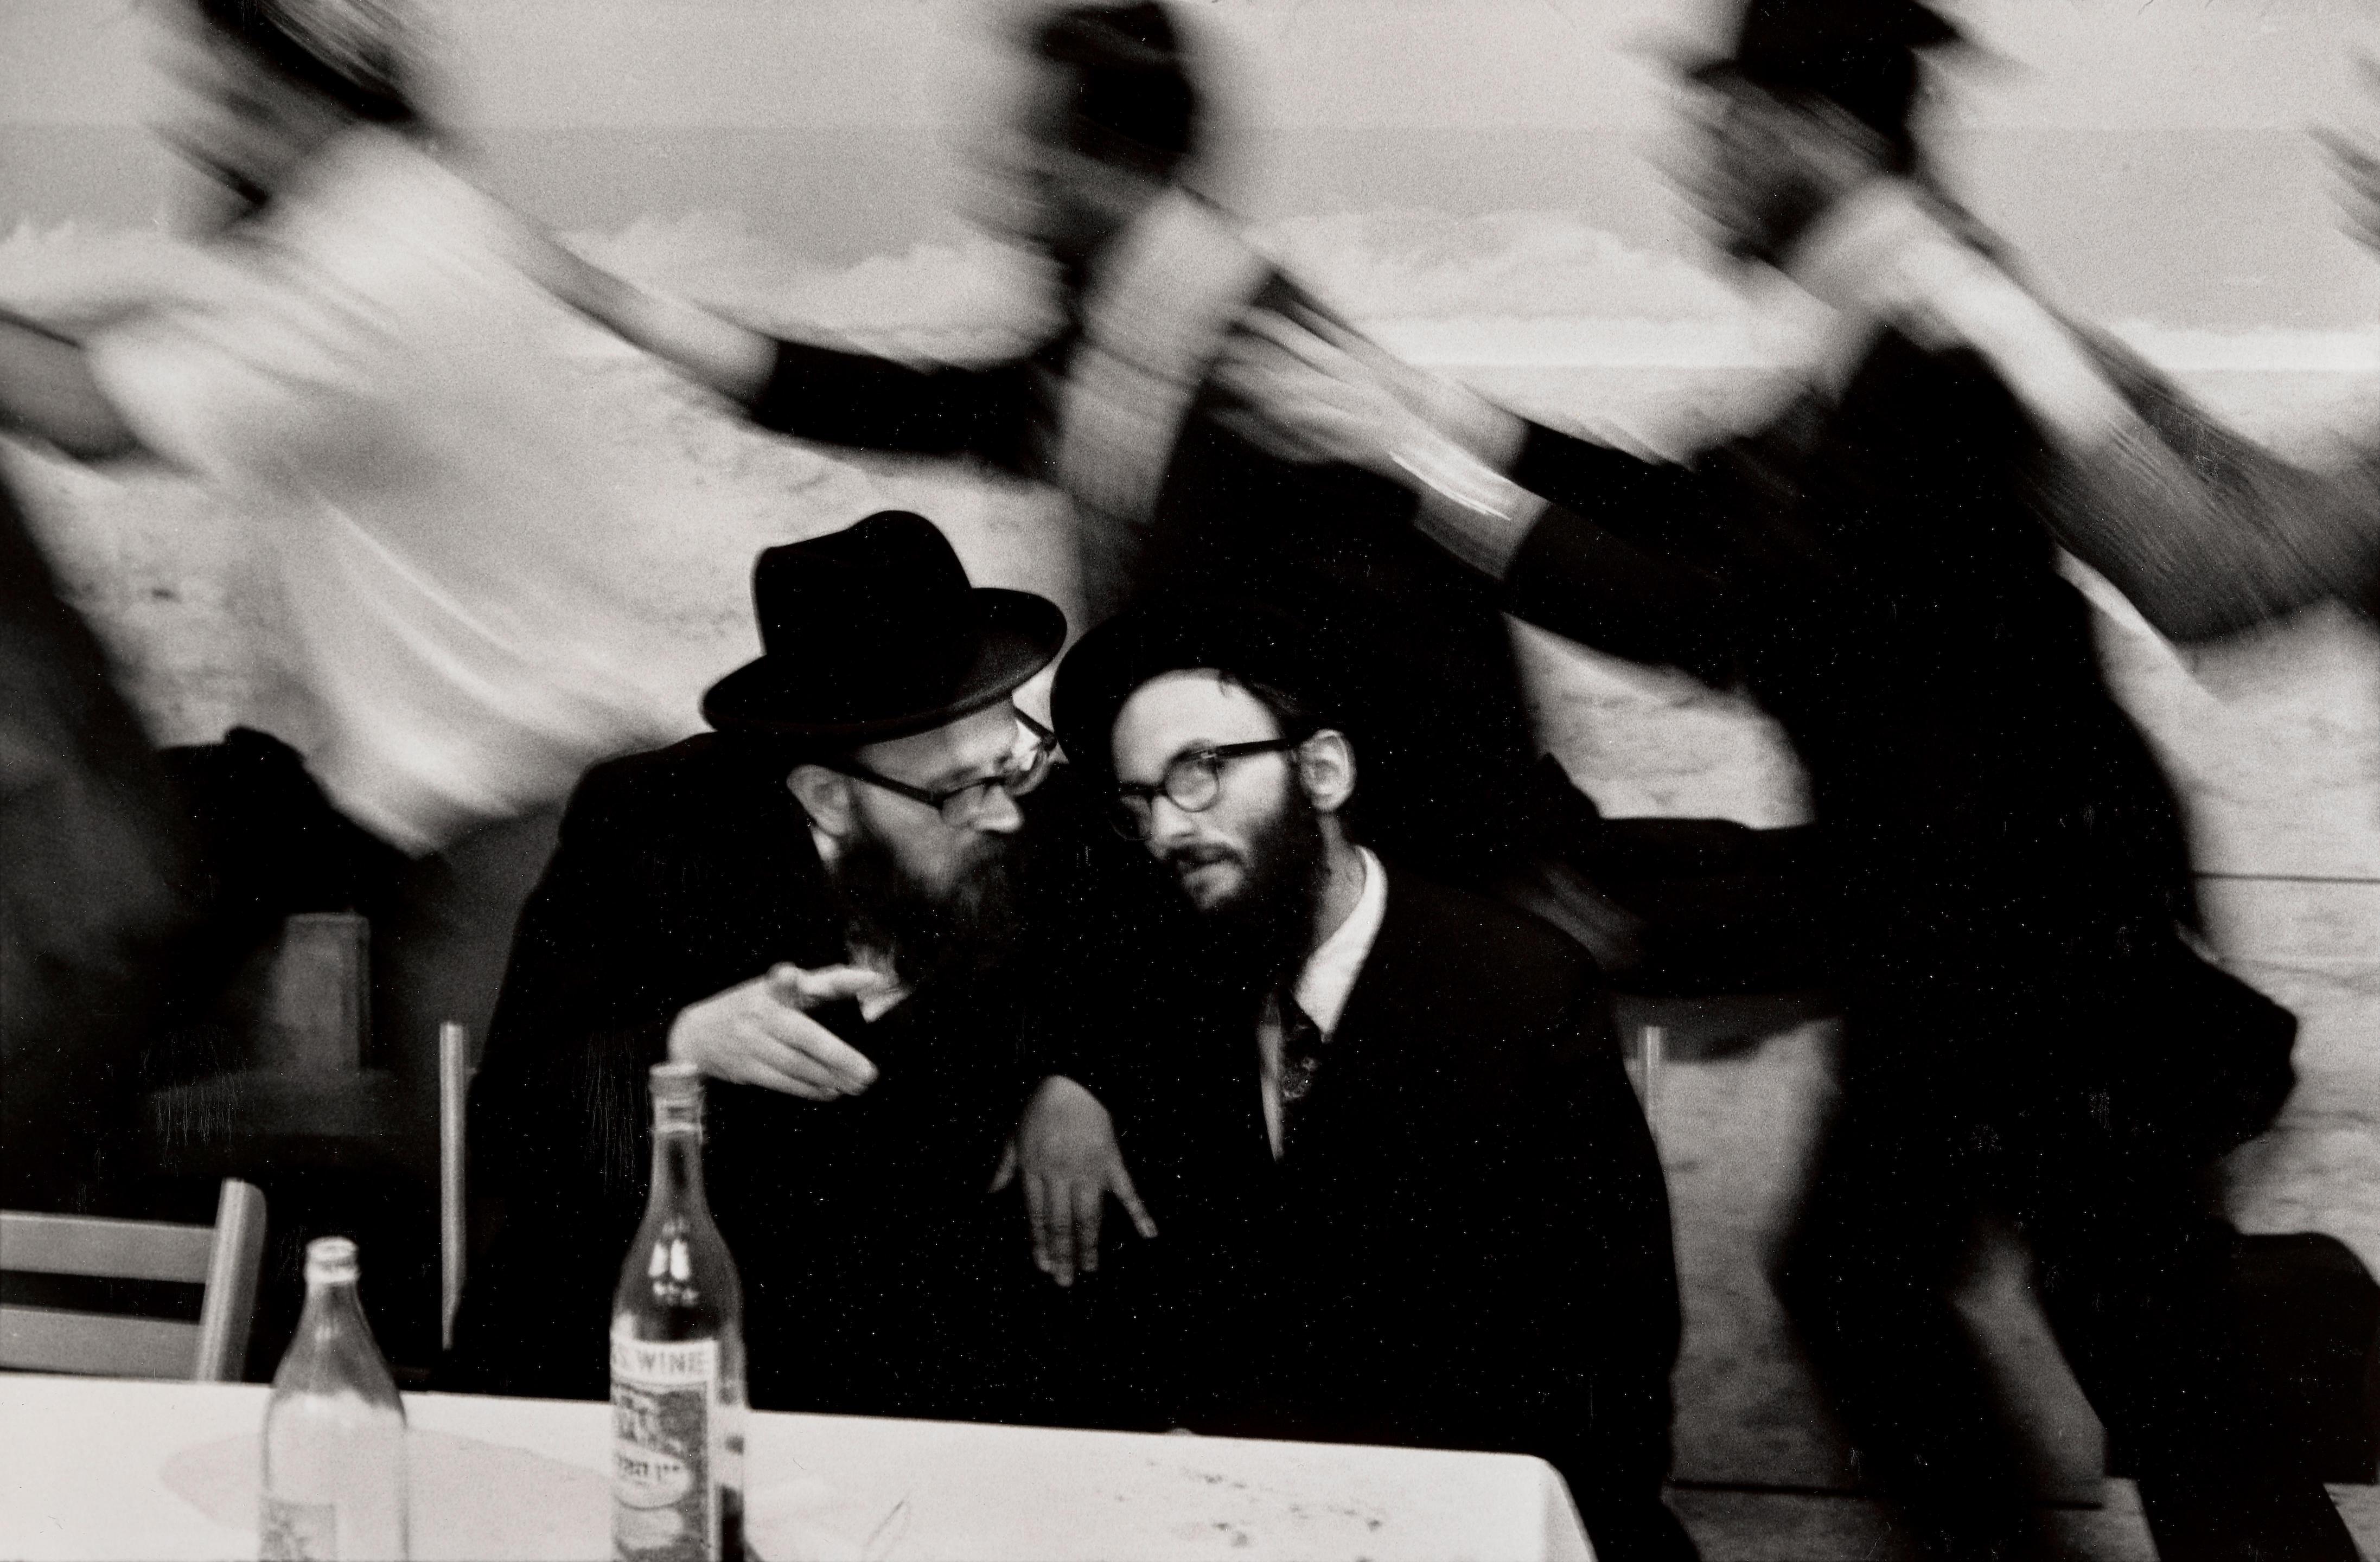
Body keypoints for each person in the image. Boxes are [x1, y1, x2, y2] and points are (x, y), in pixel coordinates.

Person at [1213, 2, 2354, 1557]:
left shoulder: (1941, 325)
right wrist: (1447, 423)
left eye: (1724, 133)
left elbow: (1732, 613)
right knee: (1954, 1305)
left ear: (1814, 132)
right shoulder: (1866, 309)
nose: (1697, 169)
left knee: (2050, 1329)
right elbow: (1708, 512)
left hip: (2051, 942)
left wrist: (1429, 480)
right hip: (1966, 935)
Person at [1048, 600, 1696, 1562]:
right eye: (1140, 800)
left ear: (1323, 771)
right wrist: (1066, 1078)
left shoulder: (1519, 990)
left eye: (1198, 772)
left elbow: (1616, 1353)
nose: (1166, 831)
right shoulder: (1176, 984)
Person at [0, 0, 674, 860]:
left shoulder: (359, 285)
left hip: (476, 823)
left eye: (242, 108)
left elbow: (93, 414)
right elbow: (173, 319)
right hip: (565, 758)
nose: (207, 139)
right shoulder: (430, 212)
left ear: (319, 99)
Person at [448, 511, 1078, 1421]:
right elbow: (514, 1119)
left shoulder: (1014, 805)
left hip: (903, 1385)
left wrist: (1073, 1077)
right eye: (958, 791)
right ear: (826, 795)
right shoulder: (653, 829)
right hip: (633, 1374)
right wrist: (680, 1049)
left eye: (1011, 763)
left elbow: (1129, 942)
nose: (1005, 813)